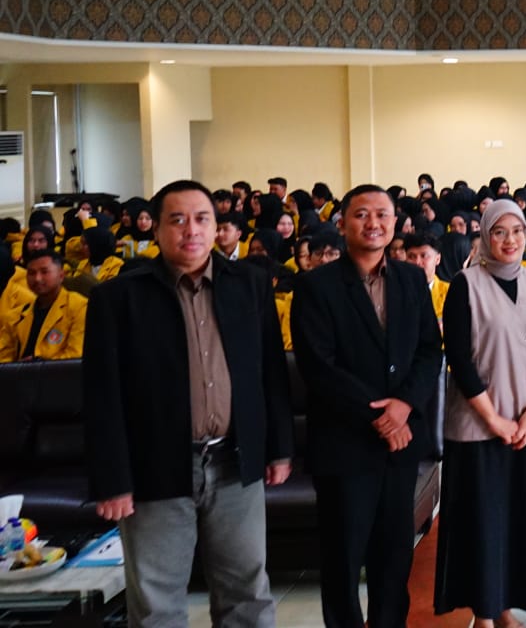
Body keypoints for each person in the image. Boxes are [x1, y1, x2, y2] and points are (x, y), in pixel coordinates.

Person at [83, 179, 293, 628]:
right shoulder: (118, 297)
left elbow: (270, 372)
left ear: (217, 227)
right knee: (157, 603)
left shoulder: (250, 284)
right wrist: (113, 480)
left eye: (201, 219)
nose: (191, 230)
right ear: (155, 230)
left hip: (234, 464)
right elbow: (102, 395)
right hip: (155, 468)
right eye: (177, 220)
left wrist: (278, 448)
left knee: (247, 594)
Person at [291, 185, 444, 628]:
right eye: (361, 214)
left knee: (393, 558)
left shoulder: (411, 279)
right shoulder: (316, 286)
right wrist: (383, 415)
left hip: (400, 446)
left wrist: (405, 405)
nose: (373, 223)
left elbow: (428, 351)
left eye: (382, 214)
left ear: (395, 223)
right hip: (345, 444)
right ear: (342, 224)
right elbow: (319, 366)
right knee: (342, 559)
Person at [434, 199, 526, 626]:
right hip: (477, 427)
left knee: (515, 522)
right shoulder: (465, 285)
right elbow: (459, 358)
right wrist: (493, 419)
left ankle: (504, 608)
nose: (510, 240)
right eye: (500, 232)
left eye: (518, 231)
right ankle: (484, 616)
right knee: (482, 524)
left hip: (525, 427)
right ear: (486, 237)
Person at [0, 250, 87, 362]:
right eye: (32, 273)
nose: (37, 278)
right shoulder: (15, 317)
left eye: (44, 272)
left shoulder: (80, 307)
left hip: (61, 372)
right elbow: (3, 358)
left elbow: (76, 355)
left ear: (61, 275)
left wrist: (39, 364)